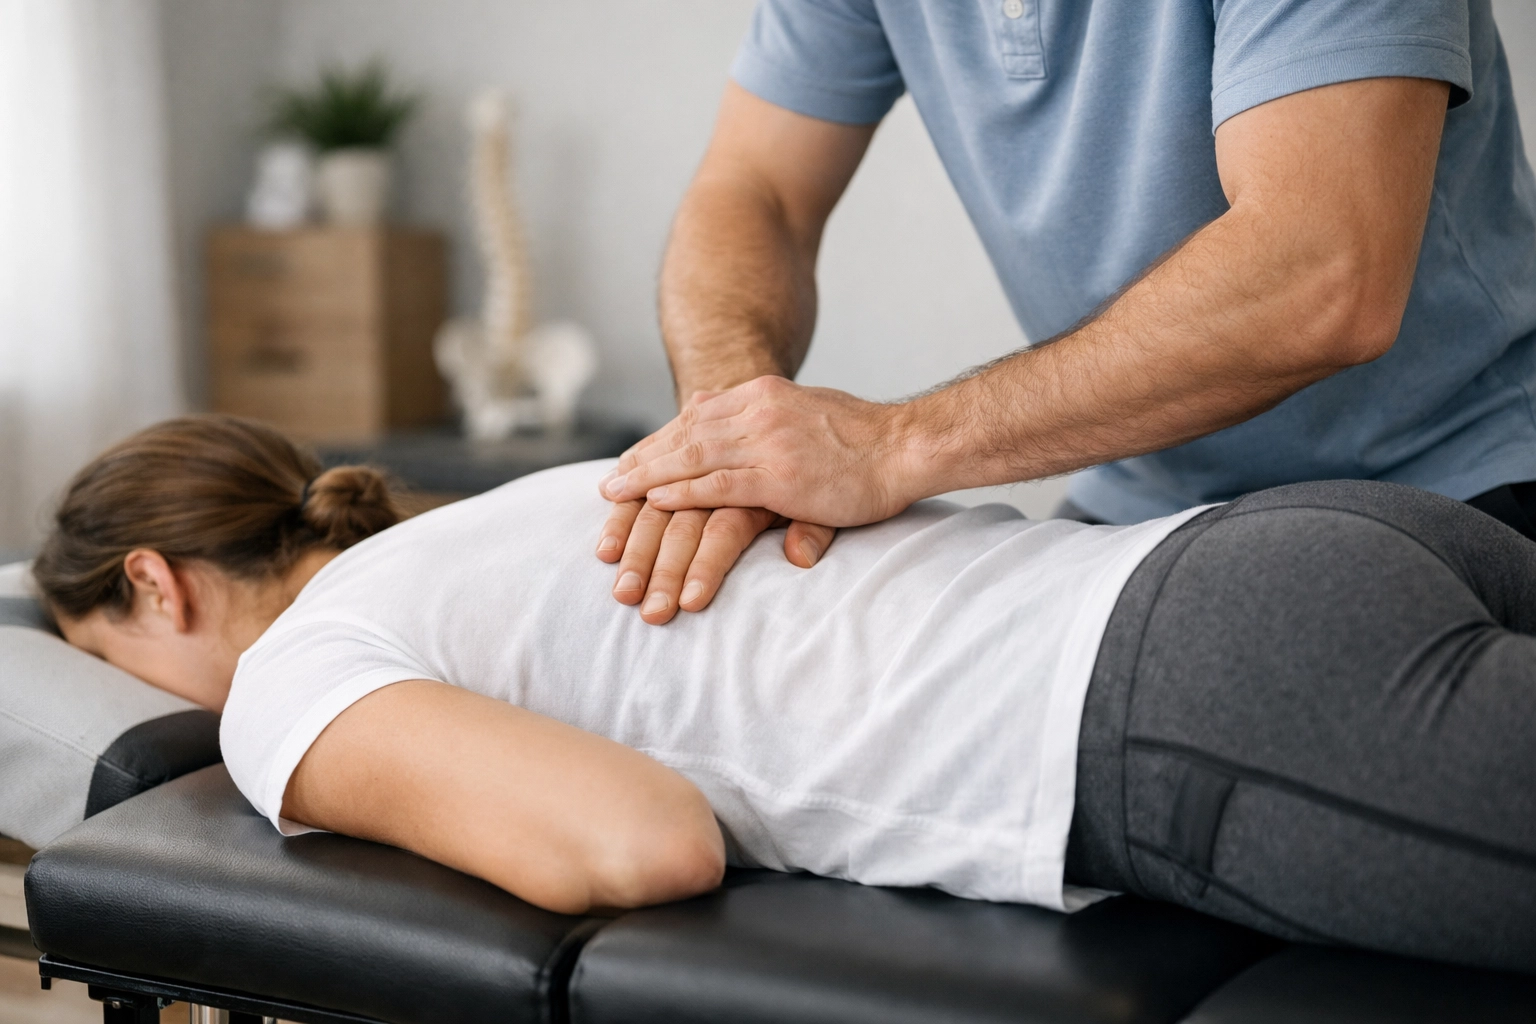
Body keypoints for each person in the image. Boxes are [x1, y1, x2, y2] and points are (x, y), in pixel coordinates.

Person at [34, 415, 1536, 974]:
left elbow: (641, 845)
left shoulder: (292, 682)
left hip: (1193, 705)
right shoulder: (511, 511)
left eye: (107, 666)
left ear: (155, 587)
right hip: (1294, 548)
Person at [591, 0, 1536, 628]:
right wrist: (718, 445)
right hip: (1144, 505)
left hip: (1454, 483)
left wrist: (892, 446)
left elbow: (1326, 274)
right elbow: (754, 191)